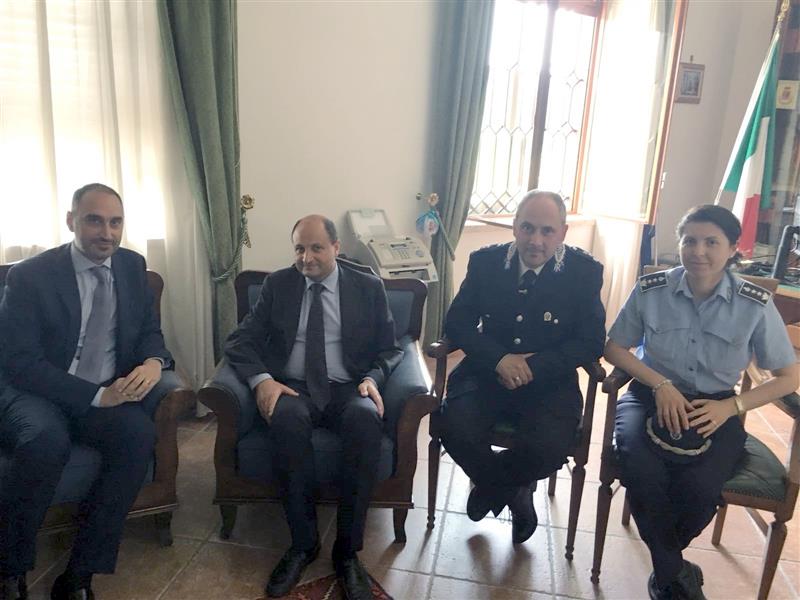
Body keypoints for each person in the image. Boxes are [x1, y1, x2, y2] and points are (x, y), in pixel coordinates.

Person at [605, 204, 799, 600]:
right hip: (649, 395)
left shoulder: (754, 304)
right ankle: (675, 573)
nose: (698, 251)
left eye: (712, 242)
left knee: (701, 487)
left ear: (733, 248)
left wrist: (732, 407)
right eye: (689, 240)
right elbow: (614, 347)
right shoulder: (651, 290)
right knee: (640, 468)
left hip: (716, 409)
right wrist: (660, 384)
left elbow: (789, 377)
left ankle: (666, 568)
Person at [0, 183, 174, 600]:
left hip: (103, 390)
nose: (107, 233)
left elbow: (149, 331)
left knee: (138, 435)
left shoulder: (132, 265)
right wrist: (97, 397)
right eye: (95, 220)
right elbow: (20, 362)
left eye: (116, 222)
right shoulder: (30, 276)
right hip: (38, 391)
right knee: (45, 442)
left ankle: (80, 574)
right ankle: (10, 569)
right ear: (71, 221)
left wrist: (154, 361)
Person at [224, 215, 403, 600]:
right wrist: (263, 380)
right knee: (286, 420)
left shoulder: (367, 287)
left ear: (336, 248)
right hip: (294, 387)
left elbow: (391, 348)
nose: (306, 258)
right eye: (300, 248)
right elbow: (240, 340)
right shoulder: (278, 285)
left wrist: (372, 379)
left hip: (349, 385)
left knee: (365, 420)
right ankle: (303, 544)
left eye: (316, 248)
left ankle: (347, 552)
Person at [439, 189, 606, 544]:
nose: (535, 240)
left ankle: (492, 486)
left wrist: (535, 365)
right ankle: (515, 491)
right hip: (486, 373)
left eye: (547, 231)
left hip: (549, 381)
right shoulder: (485, 262)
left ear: (562, 232)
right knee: (453, 427)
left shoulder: (583, 272)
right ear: (514, 226)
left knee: (550, 447)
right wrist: (499, 359)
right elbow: (457, 323)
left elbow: (591, 341)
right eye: (527, 228)